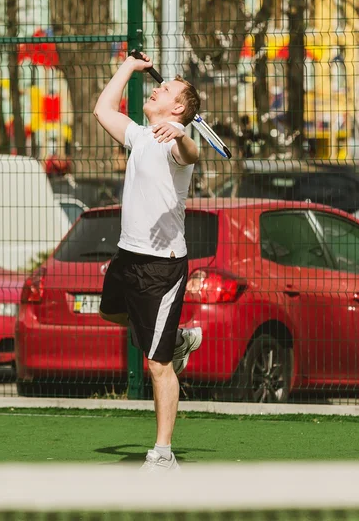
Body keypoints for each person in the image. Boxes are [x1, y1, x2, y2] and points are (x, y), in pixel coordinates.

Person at [93, 51, 203, 472]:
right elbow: (103, 109)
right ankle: (176, 339)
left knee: (157, 365)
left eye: (166, 89)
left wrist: (179, 133)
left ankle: (163, 454)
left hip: (162, 266)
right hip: (129, 255)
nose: (157, 88)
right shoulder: (139, 135)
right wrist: (127, 66)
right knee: (110, 313)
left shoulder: (173, 143)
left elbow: (191, 155)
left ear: (177, 107)